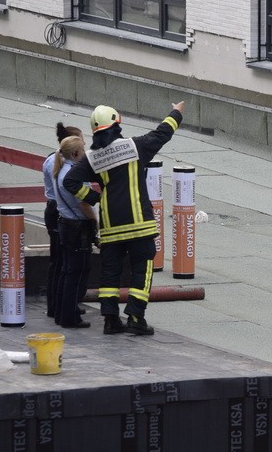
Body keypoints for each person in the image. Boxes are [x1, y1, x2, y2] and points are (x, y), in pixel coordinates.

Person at [64, 101, 185, 335]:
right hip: (139, 225)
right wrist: (176, 112)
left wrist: (93, 197)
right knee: (142, 269)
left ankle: (110, 319)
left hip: (111, 228)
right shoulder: (135, 147)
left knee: (110, 273)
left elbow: (70, 181)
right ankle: (136, 317)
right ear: (117, 125)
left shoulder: (92, 158)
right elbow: (162, 133)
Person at [52, 136, 98, 329]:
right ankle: (70, 317)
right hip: (77, 228)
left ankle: (62, 312)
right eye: (83, 149)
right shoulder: (73, 175)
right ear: (76, 153)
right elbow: (84, 204)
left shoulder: (59, 170)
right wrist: (95, 221)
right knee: (77, 273)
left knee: (67, 271)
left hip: (65, 224)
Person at [43, 123, 83, 318]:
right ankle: (57, 306)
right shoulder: (59, 164)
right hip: (60, 212)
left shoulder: (54, 160)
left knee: (60, 263)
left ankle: (59, 305)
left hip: (56, 209)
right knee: (61, 264)